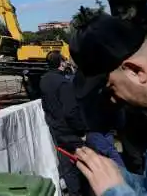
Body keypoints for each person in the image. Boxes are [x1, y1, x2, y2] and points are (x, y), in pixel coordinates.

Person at [70, 15, 147, 195]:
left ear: (135, 71)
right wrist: (117, 177)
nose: (113, 100)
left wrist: (114, 191)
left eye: (111, 89)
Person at [40, 51, 89, 195]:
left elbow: (45, 106)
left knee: (67, 167)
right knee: (82, 164)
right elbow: (71, 112)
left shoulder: (44, 80)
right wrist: (81, 131)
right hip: (70, 131)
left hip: (56, 129)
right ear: (61, 63)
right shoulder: (64, 83)